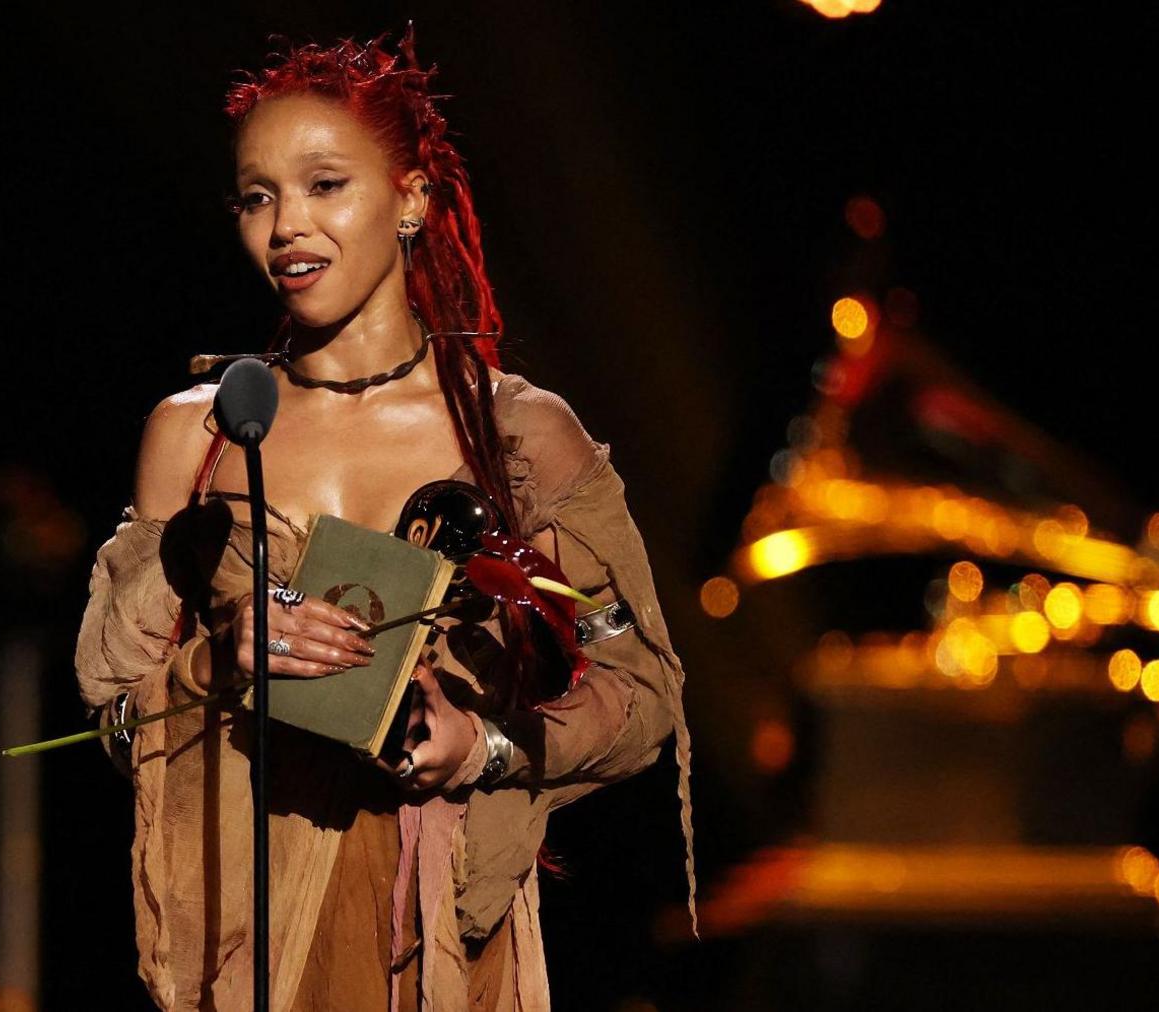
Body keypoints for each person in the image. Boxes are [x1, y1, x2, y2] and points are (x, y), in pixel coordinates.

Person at [73, 24, 695, 1010]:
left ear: (411, 198)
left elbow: (642, 686)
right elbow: (113, 719)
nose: (286, 229)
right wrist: (222, 657)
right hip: (246, 940)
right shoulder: (195, 435)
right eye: (258, 195)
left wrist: (482, 743)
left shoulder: (518, 434)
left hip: (440, 939)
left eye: (326, 185)